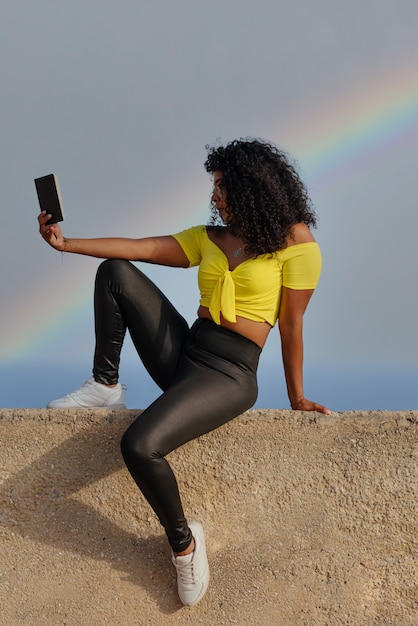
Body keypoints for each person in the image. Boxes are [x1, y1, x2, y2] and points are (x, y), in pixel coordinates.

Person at [38, 138, 330, 607]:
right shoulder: (211, 237)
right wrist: (66, 244)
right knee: (116, 271)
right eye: (214, 187)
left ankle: (184, 545)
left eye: (220, 186)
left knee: (139, 445)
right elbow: (143, 247)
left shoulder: (298, 244)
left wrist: (297, 397)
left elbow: (292, 327)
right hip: (187, 351)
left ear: (249, 186)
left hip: (230, 373)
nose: (214, 196)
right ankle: (105, 383)